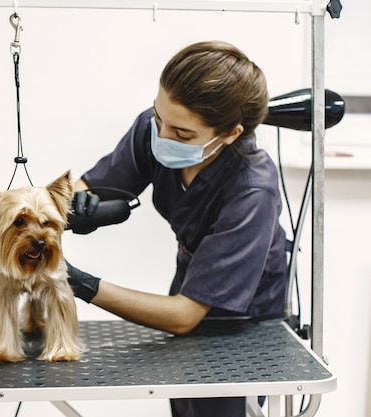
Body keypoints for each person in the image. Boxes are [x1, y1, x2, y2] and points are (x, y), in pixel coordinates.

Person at [67, 40, 288, 417]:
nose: (162, 138)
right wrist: (72, 205)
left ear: (231, 133)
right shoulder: (156, 129)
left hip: (245, 317)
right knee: (184, 404)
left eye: (183, 135)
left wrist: (77, 282)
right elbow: (91, 186)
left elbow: (184, 315)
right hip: (189, 280)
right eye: (158, 117)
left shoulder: (252, 190)